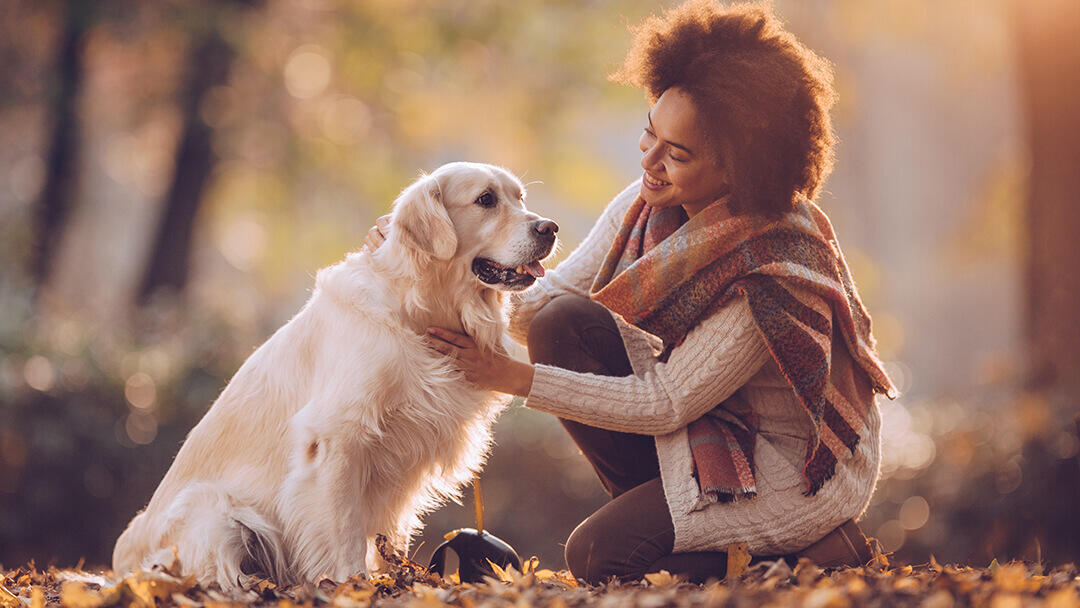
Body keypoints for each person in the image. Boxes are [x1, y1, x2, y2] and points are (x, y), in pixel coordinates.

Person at [369, 0, 895, 584]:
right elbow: (540, 306)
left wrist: (507, 375)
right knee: (562, 323)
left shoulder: (768, 267)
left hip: (792, 471)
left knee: (599, 557)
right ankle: (668, 522)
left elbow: (665, 402)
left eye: (678, 153)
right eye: (650, 133)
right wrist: (436, 262)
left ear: (740, 169)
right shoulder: (650, 205)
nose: (650, 161)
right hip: (712, 430)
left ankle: (820, 547)